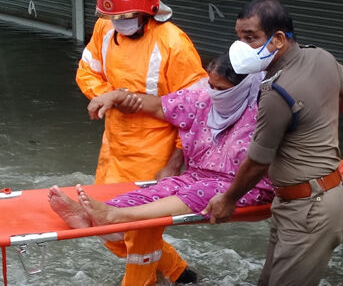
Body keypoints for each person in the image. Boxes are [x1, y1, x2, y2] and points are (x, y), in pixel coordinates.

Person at [50, 53, 274, 284]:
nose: (213, 91)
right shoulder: (203, 98)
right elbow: (157, 106)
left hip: (243, 186)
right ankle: (96, 216)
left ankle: (116, 216)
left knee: (203, 191)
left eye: (221, 88)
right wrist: (117, 96)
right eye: (210, 84)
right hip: (195, 176)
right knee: (151, 193)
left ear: (243, 87)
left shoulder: (266, 111)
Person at [203, 0, 343, 285]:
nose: (241, 47)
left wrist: (228, 200)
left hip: (309, 208)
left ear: (278, 39)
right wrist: (314, 115)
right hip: (303, 201)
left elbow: (256, 164)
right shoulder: (321, 57)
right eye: (239, 37)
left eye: (250, 38)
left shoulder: (277, 92)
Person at [75, 0, 207, 284]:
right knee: (104, 226)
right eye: (113, 17)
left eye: (126, 17)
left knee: (140, 235)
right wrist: (111, 96)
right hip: (115, 148)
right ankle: (178, 271)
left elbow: (198, 110)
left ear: (149, 12)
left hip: (155, 152)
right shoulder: (104, 28)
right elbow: (86, 71)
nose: (118, 22)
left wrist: (175, 162)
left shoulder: (174, 43)